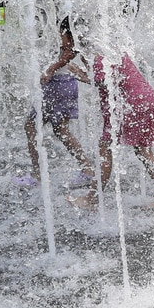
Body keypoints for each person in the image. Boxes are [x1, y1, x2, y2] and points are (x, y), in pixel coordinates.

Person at [67, 41, 154, 210]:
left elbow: (104, 81)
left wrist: (77, 73)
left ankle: (91, 199)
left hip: (129, 103)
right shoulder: (106, 44)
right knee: (144, 152)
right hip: (145, 97)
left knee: (104, 150)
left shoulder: (99, 55)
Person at [13, 19, 95, 189]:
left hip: (58, 85)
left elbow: (69, 53)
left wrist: (50, 70)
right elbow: (65, 56)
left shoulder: (63, 25)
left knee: (31, 127)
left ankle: (37, 175)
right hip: (62, 83)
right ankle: (87, 169)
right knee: (61, 131)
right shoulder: (60, 22)